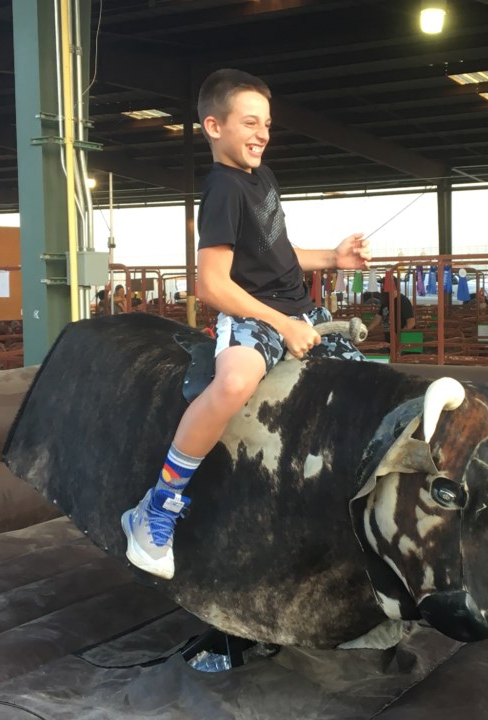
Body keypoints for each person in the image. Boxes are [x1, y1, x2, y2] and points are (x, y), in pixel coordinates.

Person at [120, 68, 371, 580]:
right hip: (251, 315)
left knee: (366, 392)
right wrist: (282, 324)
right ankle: (157, 506)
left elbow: (277, 255)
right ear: (215, 126)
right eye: (250, 123)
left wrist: (333, 257)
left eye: (268, 125)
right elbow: (211, 285)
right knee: (234, 383)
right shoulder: (222, 190)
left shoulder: (262, 180)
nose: (262, 134)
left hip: (300, 312)